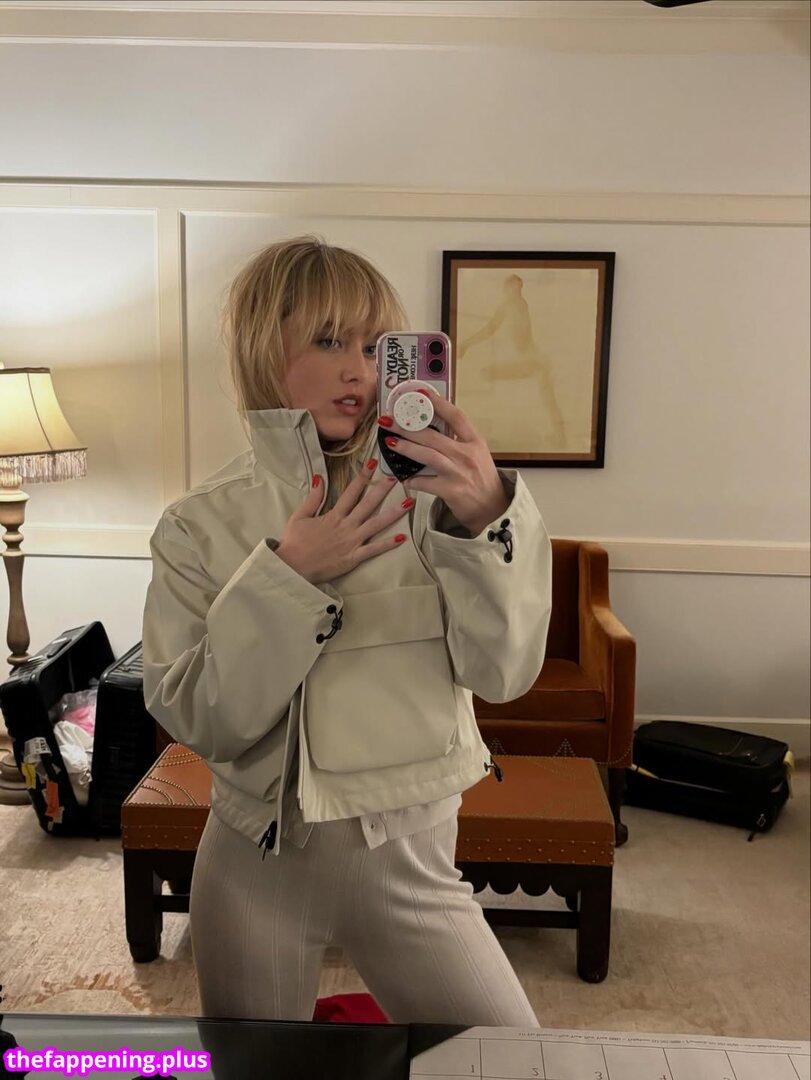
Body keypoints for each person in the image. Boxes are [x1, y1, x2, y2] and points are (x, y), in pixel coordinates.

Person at [141, 236, 553, 1026]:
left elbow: (503, 676)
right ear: (263, 351)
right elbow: (197, 718)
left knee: (509, 1059)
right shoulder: (197, 525)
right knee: (259, 1074)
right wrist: (287, 577)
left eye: (374, 347)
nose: (358, 370)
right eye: (329, 340)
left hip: (412, 859)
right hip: (255, 864)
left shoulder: (437, 501)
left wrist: (489, 519)